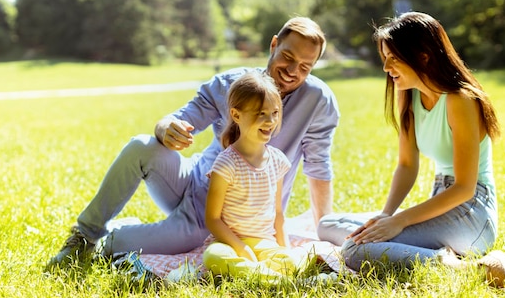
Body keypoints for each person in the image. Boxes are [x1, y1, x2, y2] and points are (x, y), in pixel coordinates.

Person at [47, 16, 340, 267]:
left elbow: (318, 167)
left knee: (124, 243)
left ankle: (121, 232)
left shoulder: (318, 101)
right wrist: (166, 128)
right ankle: (85, 235)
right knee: (141, 145)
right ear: (274, 44)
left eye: (305, 66)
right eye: (288, 57)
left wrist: (323, 229)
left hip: (226, 214)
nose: (293, 71)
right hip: (193, 183)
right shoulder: (228, 84)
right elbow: (177, 119)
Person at [318, 12, 505, 288]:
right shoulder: (409, 94)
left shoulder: (459, 100)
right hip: (440, 203)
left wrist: (399, 222)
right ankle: (430, 252)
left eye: (393, 57)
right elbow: (406, 165)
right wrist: (387, 215)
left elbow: (464, 188)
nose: (386, 67)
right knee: (327, 224)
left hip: (472, 214)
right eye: (385, 57)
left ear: (423, 56)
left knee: (354, 250)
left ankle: (469, 269)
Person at [203, 71, 304, 277]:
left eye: (274, 113)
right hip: (229, 243)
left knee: (292, 262)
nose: (270, 121)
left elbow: (278, 214)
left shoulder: (277, 161)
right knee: (213, 257)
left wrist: (285, 250)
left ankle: (260, 275)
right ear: (236, 115)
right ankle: (273, 279)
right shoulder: (226, 163)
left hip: (264, 243)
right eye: (260, 114)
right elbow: (212, 219)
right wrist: (242, 249)